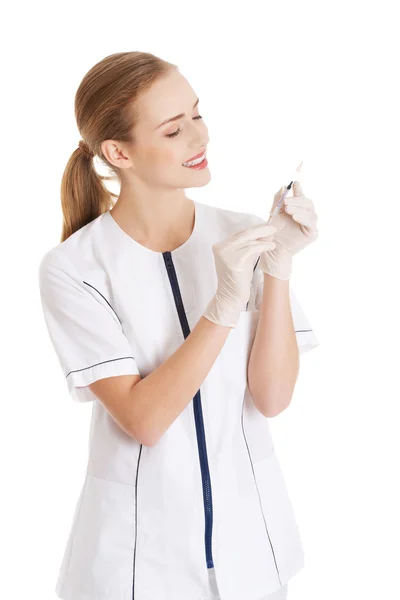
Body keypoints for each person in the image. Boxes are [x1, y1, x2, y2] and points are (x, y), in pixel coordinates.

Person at [38, 51, 319, 600]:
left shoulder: (244, 235)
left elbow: (272, 397)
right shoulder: (74, 268)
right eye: (173, 129)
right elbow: (143, 419)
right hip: (138, 563)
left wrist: (279, 267)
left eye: (197, 113)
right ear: (119, 152)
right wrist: (223, 305)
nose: (199, 136)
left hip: (252, 550)